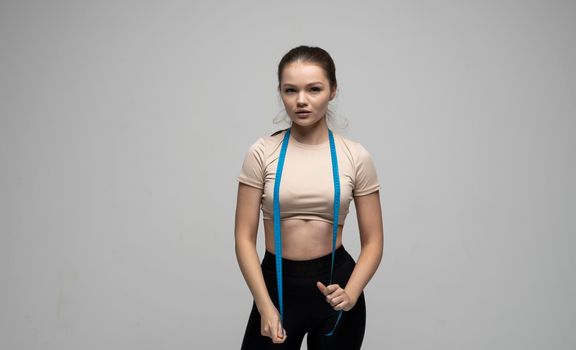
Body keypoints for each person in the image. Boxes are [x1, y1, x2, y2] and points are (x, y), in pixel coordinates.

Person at [234, 45, 384, 350]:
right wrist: (264, 305)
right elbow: (243, 239)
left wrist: (352, 292)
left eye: (314, 89)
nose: (302, 100)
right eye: (291, 90)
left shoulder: (355, 156)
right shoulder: (262, 153)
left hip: (336, 287)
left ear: (332, 90)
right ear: (281, 93)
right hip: (275, 289)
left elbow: (374, 241)